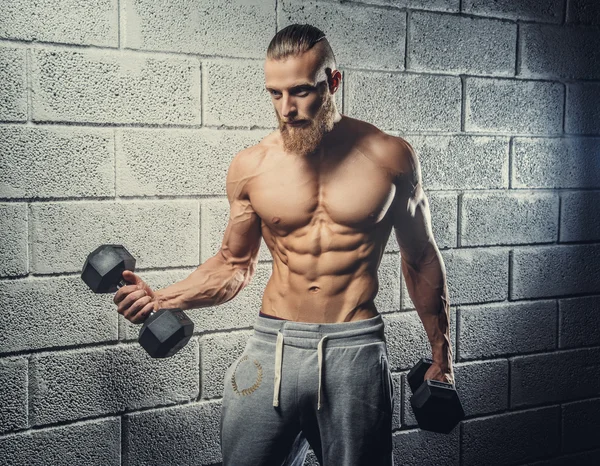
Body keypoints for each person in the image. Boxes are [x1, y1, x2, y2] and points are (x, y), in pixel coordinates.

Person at [113, 24, 453, 466]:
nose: (286, 109)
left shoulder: (389, 157)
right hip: (271, 346)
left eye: (300, 91)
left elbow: (421, 257)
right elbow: (234, 264)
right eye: (274, 94)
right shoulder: (251, 166)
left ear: (333, 82)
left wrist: (441, 355)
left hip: (354, 347)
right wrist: (163, 298)